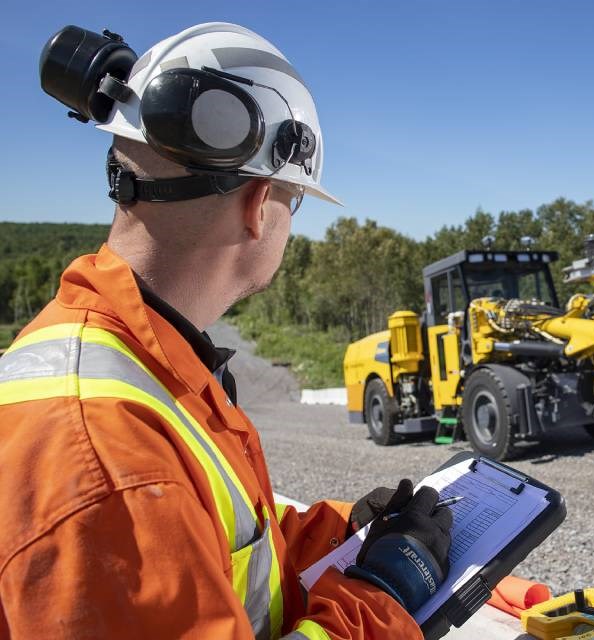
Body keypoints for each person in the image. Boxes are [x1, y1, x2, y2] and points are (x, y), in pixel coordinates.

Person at [0, 23, 452, 639]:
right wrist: (380, 596)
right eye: (294, 203)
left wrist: (348, 533)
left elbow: (223, 555)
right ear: (258, 204)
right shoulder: (112, 458)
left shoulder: (143, 359)